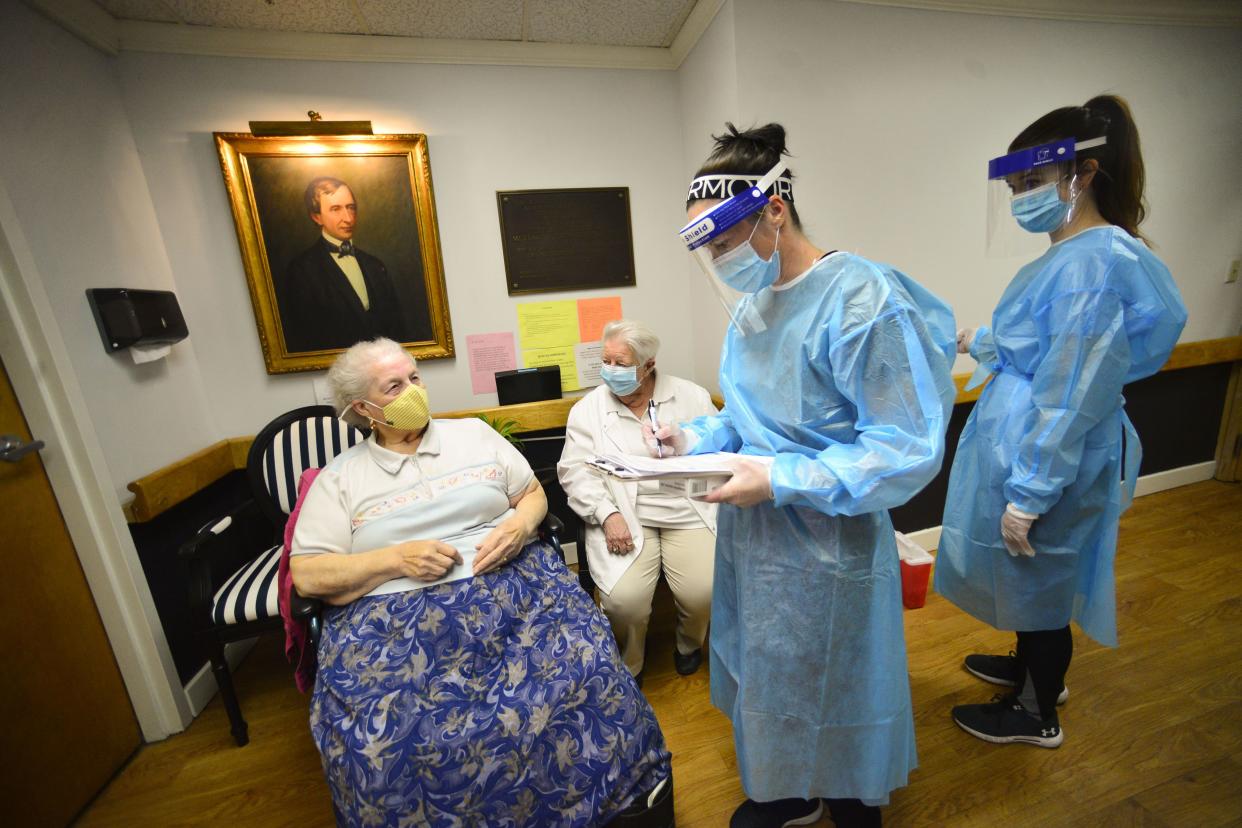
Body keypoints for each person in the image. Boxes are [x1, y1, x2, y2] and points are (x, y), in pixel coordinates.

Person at [650, 124, 957, 828]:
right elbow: (746, 421)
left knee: (838, 678)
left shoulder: (861, 300)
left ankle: (850, 801)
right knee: (773, 668)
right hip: (757, 543)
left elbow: (903, 445)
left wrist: (782, 479)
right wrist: (689, 438)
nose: (718, 259)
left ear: (774, 210)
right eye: (708, 248)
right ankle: (790, 790)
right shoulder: (755, 312)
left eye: (723, 242)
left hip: (830, 540)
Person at [289, 338, 672, 827]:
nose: (414, 391)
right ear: (363, 408)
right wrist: (393, 559)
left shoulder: (473, 435)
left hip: (513, 586)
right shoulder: (341, 479)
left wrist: (519, 525)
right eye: (395, 386)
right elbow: (309, 572)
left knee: (588, 672)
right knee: (383, 739)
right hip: (394, 617)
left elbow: (531, 493)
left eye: (414, 377)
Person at [936, 95, 1187, 748]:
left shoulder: (1091, 264)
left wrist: (1032, 491)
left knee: (1039, 572)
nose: (1021, 197)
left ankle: (1036, 712)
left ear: (1082, 176)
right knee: (1029, 573)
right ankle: (1029, 670)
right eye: (1014, 185)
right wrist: (981, 340)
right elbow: (1046, 348)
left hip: (1050, 454)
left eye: (1032, 182)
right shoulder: (1075, 258)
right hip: (1032, 443)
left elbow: (1071, 390)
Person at [558, 319, 718, 684]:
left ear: (648, 365)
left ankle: (688, 645)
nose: (610, 371)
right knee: (624, 601)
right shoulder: (588, 410)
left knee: (704, 592)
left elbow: (720, 450)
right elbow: (574, 472)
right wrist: (606, 513)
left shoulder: (692, 397)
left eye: (620, 363)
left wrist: (685, 446)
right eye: (606, 361)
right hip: (626, 514)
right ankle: (631, 663)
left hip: (687, 510)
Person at [279, 177, 416, 352]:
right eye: (336, 209)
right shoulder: (302, 270)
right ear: (316, 217)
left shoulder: (374, 265)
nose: (348, 218)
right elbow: (305, 336)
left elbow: (397, 327)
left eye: (351, 208)